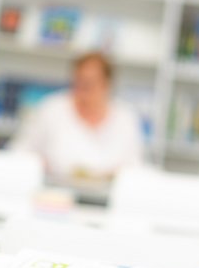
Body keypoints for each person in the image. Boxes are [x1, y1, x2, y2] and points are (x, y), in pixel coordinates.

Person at [10, 51, 144, 180]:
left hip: (109, 197)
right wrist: (40, 166)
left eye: (91, 82)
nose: (83, 87)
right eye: (79, 80)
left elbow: (135, 166)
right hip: (54, 193)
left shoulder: (126, 117)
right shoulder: (51, 109)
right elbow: (20, 152)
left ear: (106, 84)